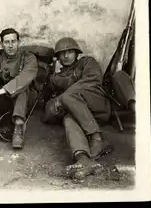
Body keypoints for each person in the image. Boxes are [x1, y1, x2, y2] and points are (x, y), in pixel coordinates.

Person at [43, 37, 112, 181]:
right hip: (77, 113)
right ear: (58, 57)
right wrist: (58, 99)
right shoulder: (55, 78)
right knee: (68, 118)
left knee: (67, 98)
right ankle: (82, 158)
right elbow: (48, 112)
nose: (66, 56)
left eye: (70, 52)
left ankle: (96, 137)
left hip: (97, 106)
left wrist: (63, 97)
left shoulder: (87, 62)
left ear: (76, 52)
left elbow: (93, 79)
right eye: (62, 53)